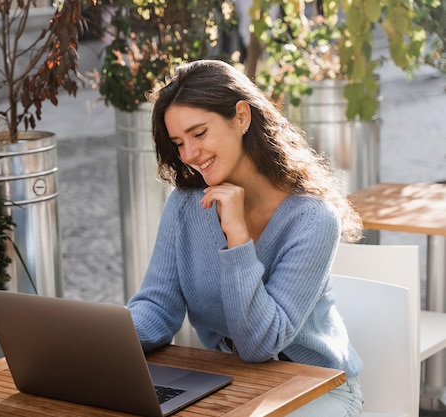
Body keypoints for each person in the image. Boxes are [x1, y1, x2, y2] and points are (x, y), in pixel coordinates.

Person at [126, 59, 364, 416]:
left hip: (317, 389)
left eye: (199, 133)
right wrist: (101, 339)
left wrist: (236, 236)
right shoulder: (185, 205)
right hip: (231, 384)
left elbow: (259, 344)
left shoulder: (313, 218)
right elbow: (158, 308)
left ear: (241, 116)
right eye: (178, 142)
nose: (189, 155)